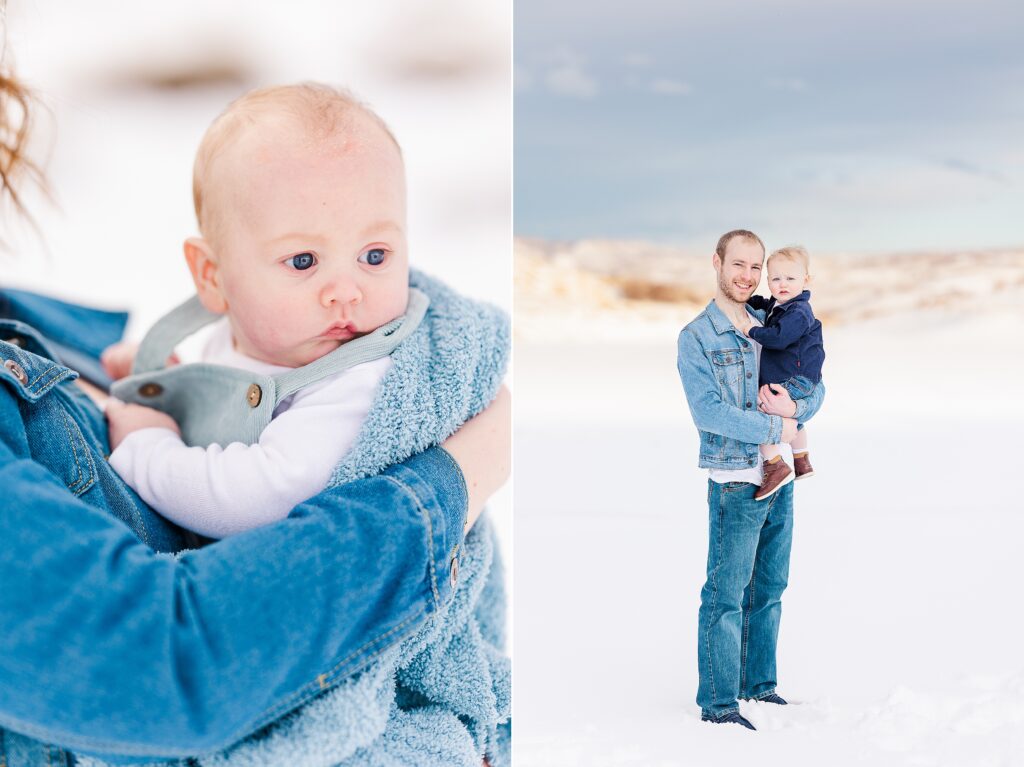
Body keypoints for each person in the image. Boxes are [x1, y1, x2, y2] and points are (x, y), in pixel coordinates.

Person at [0, 62, 509, 767]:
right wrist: (457, 476)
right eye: (303, 260)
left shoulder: (359, 375)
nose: (345, 292)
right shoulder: (260, 338)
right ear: (213, 276)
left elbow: (260, 492)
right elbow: (162, 654)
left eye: (376, 254)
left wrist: (149, 430)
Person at [676, 229, 824, 730]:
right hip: (736, 480)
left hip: (778, 475)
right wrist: (776, 427)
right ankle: (719, 704)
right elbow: (709, 412)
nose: (747, 276)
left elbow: (817, 385)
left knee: (770, 587)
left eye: (755, 267)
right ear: (716, 262)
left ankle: (759, 687)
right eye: (737, 264)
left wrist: (798, 409)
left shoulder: (774, 318)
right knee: (725, 594)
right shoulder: (697, 336)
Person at [734, 245, 825, 501]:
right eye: (775, 278)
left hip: (794, 379)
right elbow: (767, 304)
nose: (782, 284)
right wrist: (747, 300)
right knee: (795, 421)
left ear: (805, 280)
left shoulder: (799, 312)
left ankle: (775, 464)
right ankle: (801, 459)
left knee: (764, 413)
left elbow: (779, 338)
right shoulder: (782, 303)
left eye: (790, 278)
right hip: (798, 377)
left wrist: (751, 331)